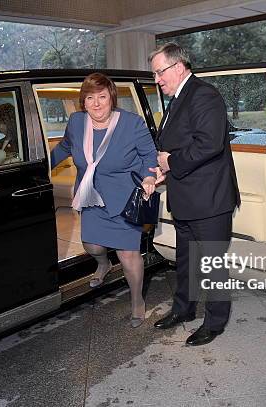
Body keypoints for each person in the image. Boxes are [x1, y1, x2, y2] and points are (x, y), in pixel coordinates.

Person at [149, 43, 240, 346]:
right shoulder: (177, 98)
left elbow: (208, 144)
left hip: (209, 201)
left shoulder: (204, 95)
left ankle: (215, 322)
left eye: (159, 73)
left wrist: (170, 161)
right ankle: (183, 310)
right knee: (186, 261)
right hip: (187, 198)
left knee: (213, 263)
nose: (157, 80)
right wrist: (164, 169)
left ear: (178, 67)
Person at [50, 73, 157, 328]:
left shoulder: (131, 124)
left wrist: (149, 178)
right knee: (92, 246)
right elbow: (65, 146)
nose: (97, 103)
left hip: (124, 199)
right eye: (90, 98)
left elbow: (149, 156)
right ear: (83, 102)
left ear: (111, 98)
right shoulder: (76, 122)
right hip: (91, 197)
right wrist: (41, 167)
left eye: (102, 97)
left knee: (128, 255)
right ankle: (103, 263)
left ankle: (137, 302)